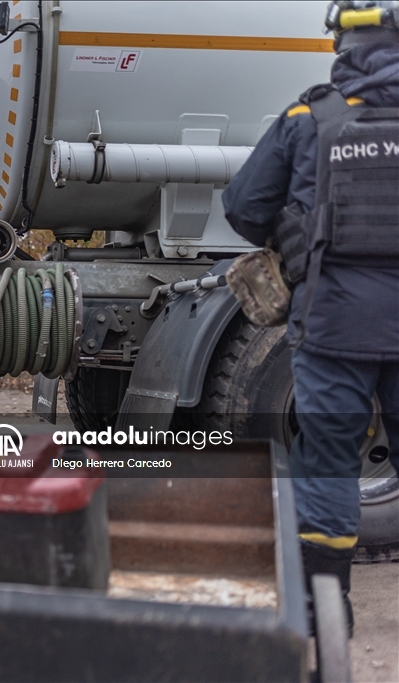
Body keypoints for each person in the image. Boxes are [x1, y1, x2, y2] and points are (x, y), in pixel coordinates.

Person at [222, 1, 399, 636]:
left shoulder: (309, 116)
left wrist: (294, 232)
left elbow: (243, 207)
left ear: (344, 44)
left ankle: (327, 616)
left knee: (327, 463)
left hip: (334, 327)